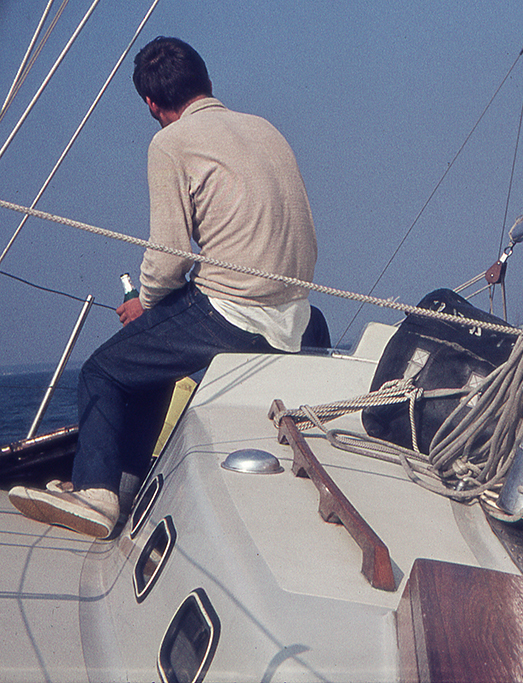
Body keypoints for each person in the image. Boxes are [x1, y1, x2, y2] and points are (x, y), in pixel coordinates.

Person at [9, 37, 318, 538]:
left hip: (233, 310)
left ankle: (96, 494)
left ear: (152, 104)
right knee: (145, 365)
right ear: (206, 81)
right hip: (294, 312)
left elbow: (170, 256)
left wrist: (144, 304)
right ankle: (123, 488)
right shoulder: (264, 128)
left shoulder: (170, 143)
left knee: (103, 371)